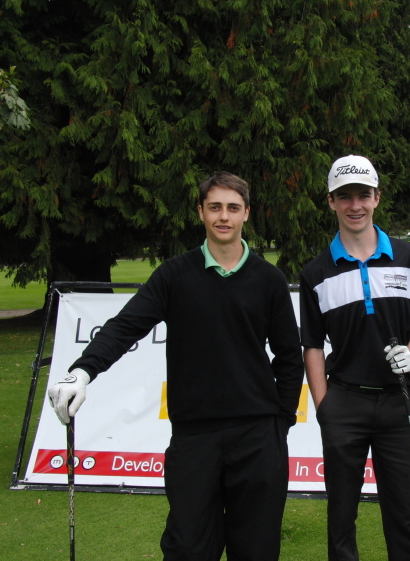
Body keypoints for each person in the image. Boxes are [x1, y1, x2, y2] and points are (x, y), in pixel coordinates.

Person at [48, 172, 304, 561]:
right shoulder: (174, 274)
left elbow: (288, 356)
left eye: (232, 208)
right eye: (214, 207)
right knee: (187, 547)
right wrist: (82, 372)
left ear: (246, 213)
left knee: (256, 550)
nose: (223, 216)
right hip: (194, 437)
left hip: (258, 436)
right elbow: (125, 327)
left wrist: (280, 422)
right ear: (200, 212)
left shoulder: (268, 279)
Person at [300, 154, 410, 561]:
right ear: (331, 202)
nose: (354, 205)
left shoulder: (409, 257)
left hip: (399, 401)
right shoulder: (316, 272)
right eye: (345, 197)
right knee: (342, 516)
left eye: (363, 195)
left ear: (377, 197)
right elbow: (312, 345)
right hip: (345, 402)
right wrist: (324, 406)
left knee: (407, 514)